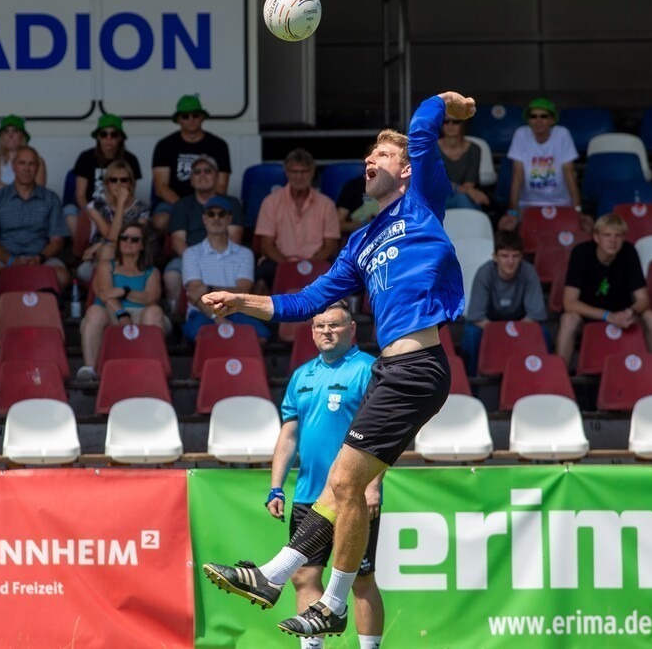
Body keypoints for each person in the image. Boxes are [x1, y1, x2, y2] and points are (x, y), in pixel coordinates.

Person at [200, 90, 472, 639]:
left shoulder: (422, 202)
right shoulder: (361, 241)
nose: (370, 160)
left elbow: (421, 129)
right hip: (390, 374)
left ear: (407, 170)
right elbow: (306, 301)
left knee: (346, 483)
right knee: (334, 490)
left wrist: (448, 105)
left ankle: (333, 603)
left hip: (419, 365)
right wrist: (242, 302)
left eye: (382, 155)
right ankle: (274, 575)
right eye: (368, 156)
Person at [268, 301, 383, 649]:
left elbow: (383, 432)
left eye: (334, 325)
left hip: (354, 494)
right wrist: (276, 487)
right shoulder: (302, 375)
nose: (326, 332)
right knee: (303, 576)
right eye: (319, 326)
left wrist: (373, 485)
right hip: (308, 497)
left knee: (361, 578)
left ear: (351, 329)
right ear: (312, 331)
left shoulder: (369, 369)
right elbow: (288, 436)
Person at [555, 213, 652, 369]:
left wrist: (630, 312)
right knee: (568, 319)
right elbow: (569, 303)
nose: (612, 240)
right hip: (588, 315)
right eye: (607, 235)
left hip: (622, 315)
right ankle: (559, 375)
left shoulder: (629, 252)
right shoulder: (581, 253)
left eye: (618, 236)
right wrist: (608, 316)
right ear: (596, 237)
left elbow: (643, 299)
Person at [77, 222, 168, 381]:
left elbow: (151, 298)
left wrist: (122, 291)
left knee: (154, 311)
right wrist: (122, 313)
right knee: (94, 311)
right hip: (112, 313)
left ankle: (152, 367)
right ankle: (90, 369)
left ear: (142, 245)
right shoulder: (106, 265)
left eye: (134, 239)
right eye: (124, 238)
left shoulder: (151, 271)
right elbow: (105, 294)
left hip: (142, 315)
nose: (128, 242)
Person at [0, 146, 72, 294]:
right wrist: (10, 261)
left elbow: (57, 241)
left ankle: (38, 308)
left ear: (38, 168)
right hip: (3, 259)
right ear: (14, 166)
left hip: (41, 258)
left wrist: (39, 259)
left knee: (62, 277)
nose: (26, 168)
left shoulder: (51, 198)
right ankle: (7, 308)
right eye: (22, 163)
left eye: (31, 164)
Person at [162, 154, 245, 312]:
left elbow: (235, 238)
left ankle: (230, 315)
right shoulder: (182, 205)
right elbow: (177, 241)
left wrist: (213, 262)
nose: (202, 175)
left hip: (225, 256)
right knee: (172, 274)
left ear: (217, 176)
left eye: (207, 171)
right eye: (197, 172)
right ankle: (178, 318)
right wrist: (195, 262)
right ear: (191, 179)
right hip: (188, 257)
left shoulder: (232, 203)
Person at [181, 196, 268, 342]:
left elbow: (243, 291)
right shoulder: (191, 253)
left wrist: (208, 288)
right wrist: (216, 317)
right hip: (202, 313)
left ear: (229, 219)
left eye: (221, 214)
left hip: (237, 311)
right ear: (204, 218)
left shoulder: (245, 253)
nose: (216, 218)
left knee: (260, 337)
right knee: (204, 339)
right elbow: (194, 292)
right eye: (211, 214)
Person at [461, 229, 548, 374]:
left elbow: (535, 316)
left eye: (515, 256)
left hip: (520, 323)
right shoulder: (484, 273)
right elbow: (477, 317)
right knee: (471, 333)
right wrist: (500, 333)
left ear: (521, 257)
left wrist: (511, 333)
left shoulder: (528, 271)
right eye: (504, 256)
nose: (510, 261)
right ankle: (473, 380)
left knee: (543, 333)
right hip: (487, 324)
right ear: (495, 257)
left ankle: (539, 377)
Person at [254, 149, 341, 293]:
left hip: (316, 262)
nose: (299, 177)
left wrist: (309, 265)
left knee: (339, 273)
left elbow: (330, 246)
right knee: (261, 278)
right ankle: (265, 315)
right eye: (294, 172)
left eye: (304, 171)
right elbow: (266, 245)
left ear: (312, 172)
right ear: (286, 172)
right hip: (279, 261)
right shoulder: (270, 202)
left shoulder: (326, 204)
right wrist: (289, 267)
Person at [499, 97, 589, 232]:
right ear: (528, 120)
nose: (538, 121)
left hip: (561, 202)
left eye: (544, 116)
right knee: (505, 227)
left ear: (552, 120)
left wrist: (577, 209)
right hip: (528, 204)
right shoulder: (521, 134)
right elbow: (517, 177)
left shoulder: (562, 134)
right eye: (533, 116)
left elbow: (570, 174)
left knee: (587, 226)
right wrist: (512, 212)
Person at [151, 94, 232, 234]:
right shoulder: (164, 145)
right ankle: (165, 254)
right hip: (174, 203)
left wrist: (202, 207)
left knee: (231, 219)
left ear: (202, 117)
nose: (191, 119)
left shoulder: (219, 145)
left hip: (210, 202)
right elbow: (160, 187)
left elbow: (221, 187)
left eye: (195, 115)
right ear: (178, 120)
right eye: (185, 116)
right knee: (160, 221)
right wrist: (185, 207)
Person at [77, 160, 152, 283]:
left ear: (131, 183)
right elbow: (111, 236)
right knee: (108, 251)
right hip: (95, 261)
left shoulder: (142, 209)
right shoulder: (96, 205)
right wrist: (121, 204)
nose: (118, 184)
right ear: (106, 183)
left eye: (124, 180)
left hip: (131, 259)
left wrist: (99, 244)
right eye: (113, 180)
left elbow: (130, 239)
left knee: (109, 249)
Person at [69, 113, 143, 234]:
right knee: (69, 211)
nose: (108, 139)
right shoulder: (86, 157)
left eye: (113, 134)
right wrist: (94, 214)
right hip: (90, 209)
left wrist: (113, 213)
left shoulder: (131, 160)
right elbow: (80, 196)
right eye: (103, 134)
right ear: (98, 137)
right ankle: (79, 251)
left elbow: (130, 194)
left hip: (118, 208)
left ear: (120, 138)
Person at [0, 115, 48, 194]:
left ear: (22, 136)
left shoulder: (38, 161)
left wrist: (8, 190)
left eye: (15, 131)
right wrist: (24, 190)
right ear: (1, 137)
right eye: (6, 131)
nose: (10, 135)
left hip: (31, 205)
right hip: (3, 205)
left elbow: (39, 190)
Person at [438, 114, 490, 210]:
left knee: (463, 199)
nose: (450, 125)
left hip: (462, 196)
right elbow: (434, 181)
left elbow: (469, 184)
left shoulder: (474, 149)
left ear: (464, 123)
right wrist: (468, 191)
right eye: (446, 121)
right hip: (435, 196)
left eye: (456, 121)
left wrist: (466, 190)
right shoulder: (430, 148)